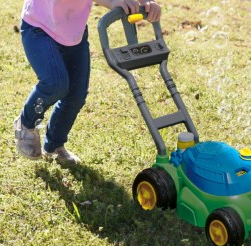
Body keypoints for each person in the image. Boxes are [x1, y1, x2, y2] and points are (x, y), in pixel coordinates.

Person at [14, 0, 161, 166]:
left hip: (73, 32)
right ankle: (26, 124)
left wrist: (146, 3)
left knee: (76, 96)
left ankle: (54, 146)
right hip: (40, 27)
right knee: (55, 84)